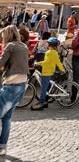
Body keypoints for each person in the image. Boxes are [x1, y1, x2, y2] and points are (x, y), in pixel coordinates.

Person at [0, 25, 29, 156]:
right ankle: (2, 147)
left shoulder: (10, 46)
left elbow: (1, 63)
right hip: (22, 85)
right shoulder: (24, 46)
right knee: (7, 119)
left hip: (10, 85)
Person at [31, 37, 65, 110]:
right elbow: (58, 63)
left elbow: (46, 62)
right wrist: (62, 70)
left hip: (46, 72)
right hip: (51, 72)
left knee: (43, 89)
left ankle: (42, 102)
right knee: (46, 87)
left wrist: (38, 63)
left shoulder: (48, 52)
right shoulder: (55, 53)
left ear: (49, 45)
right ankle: (45, 102)